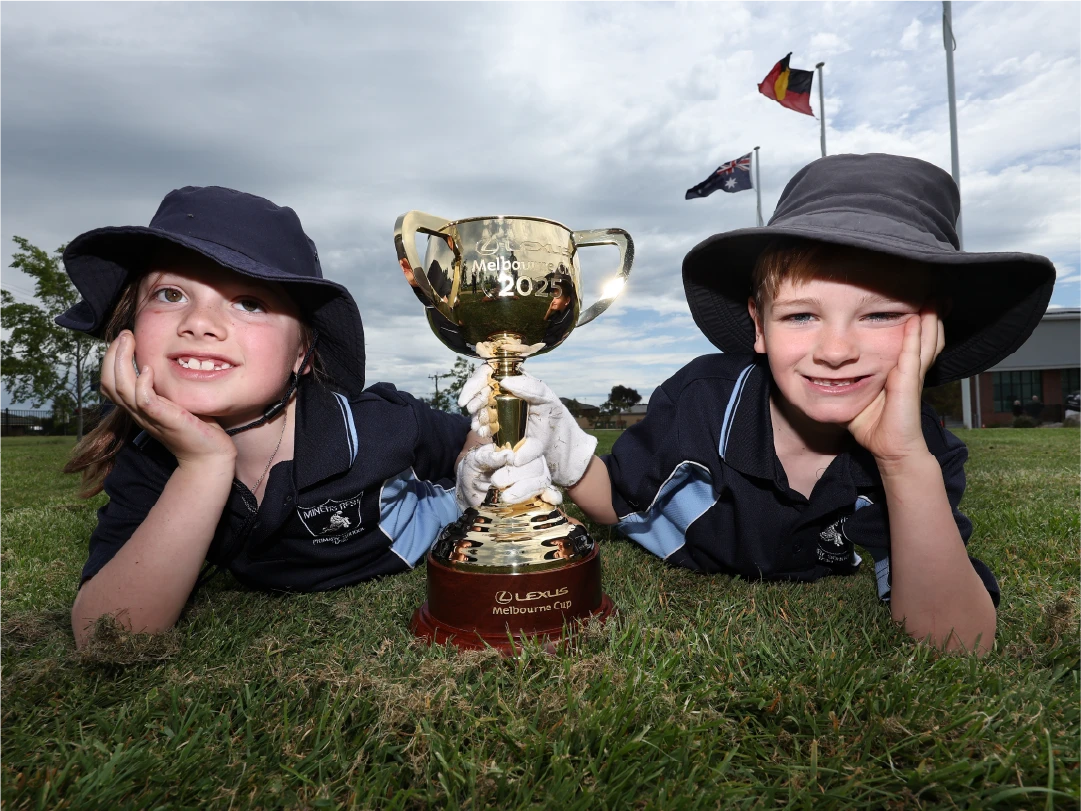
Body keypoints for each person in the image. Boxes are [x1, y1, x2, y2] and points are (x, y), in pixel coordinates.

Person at [460, 153, 1056, 655]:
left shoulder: (924, 453)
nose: (836, 350)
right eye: (801, 316)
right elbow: (614, 504)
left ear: (932, 330)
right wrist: (566, 452)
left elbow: (957, 641)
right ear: (759, 325)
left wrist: (902, 462)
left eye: (880, 315)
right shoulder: (702, 400)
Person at [59, 186, 504, 649]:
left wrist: (478, 480)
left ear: (302, 353)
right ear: (128, 329)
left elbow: (488, 435)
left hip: (440, 529)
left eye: (249, 302)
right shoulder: (149, 458)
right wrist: (202, 465)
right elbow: (109, 635)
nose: (199, 322)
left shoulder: (376, 426)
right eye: (170, 294)